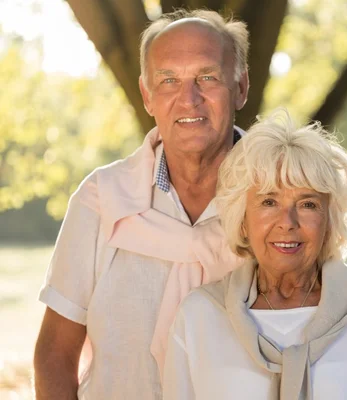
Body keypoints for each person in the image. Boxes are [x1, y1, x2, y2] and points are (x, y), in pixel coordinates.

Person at [33, 10, 249, 400]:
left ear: (241, 87)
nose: (189, 98)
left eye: (207, 77)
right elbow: (55, 354)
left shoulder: (282, 197)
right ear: (147, 95)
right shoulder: (101, 198)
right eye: (169, 80)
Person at [162, 109, 347, 399]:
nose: (288, 221)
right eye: (269, 201)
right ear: (243, 219)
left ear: (329, 219)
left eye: (308, 204)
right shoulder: (199, 313)